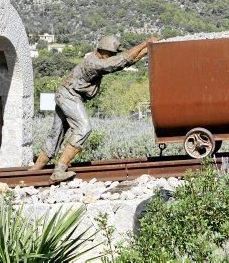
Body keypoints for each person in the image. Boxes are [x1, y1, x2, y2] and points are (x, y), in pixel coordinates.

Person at [29, 35, 159, 183]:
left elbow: (124, 62)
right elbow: (122, 60)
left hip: (64, 94)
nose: (113, 57)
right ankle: (59, 170)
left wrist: (149, 49)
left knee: (56, 134)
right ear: (104, 52)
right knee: (83, 129)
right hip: (69, 96)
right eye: (111, 54)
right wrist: (146, 42)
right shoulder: (94, 63)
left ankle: (34, 172)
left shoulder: (98, 59)